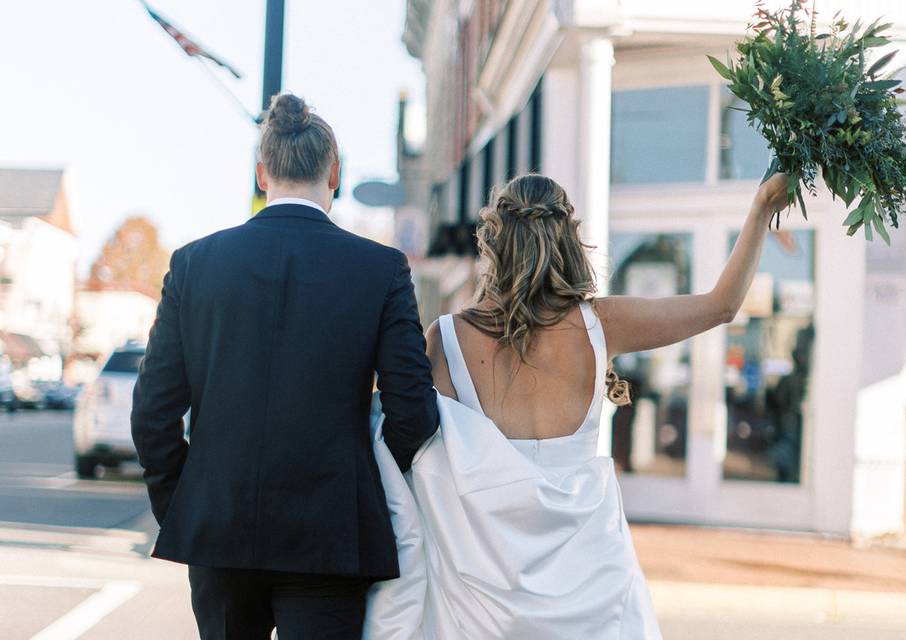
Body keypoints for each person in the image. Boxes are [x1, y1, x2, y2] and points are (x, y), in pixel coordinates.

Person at [365, 171, 789, 638]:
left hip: (480, 578)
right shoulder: (601, 326)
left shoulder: (445, 339)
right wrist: (762, 208)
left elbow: (410, 438)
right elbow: (721, 306)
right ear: (568, 238)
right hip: (587, 573)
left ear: (493, 243)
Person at [131, 94, 438, 639]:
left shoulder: (194, 264)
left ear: (261, 172)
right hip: (332, 530)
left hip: (219, 527)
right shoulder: (381, 269)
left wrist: (184, 499)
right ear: (335, 173)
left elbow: (154, 411)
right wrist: (362, 481)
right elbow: (413, 410)